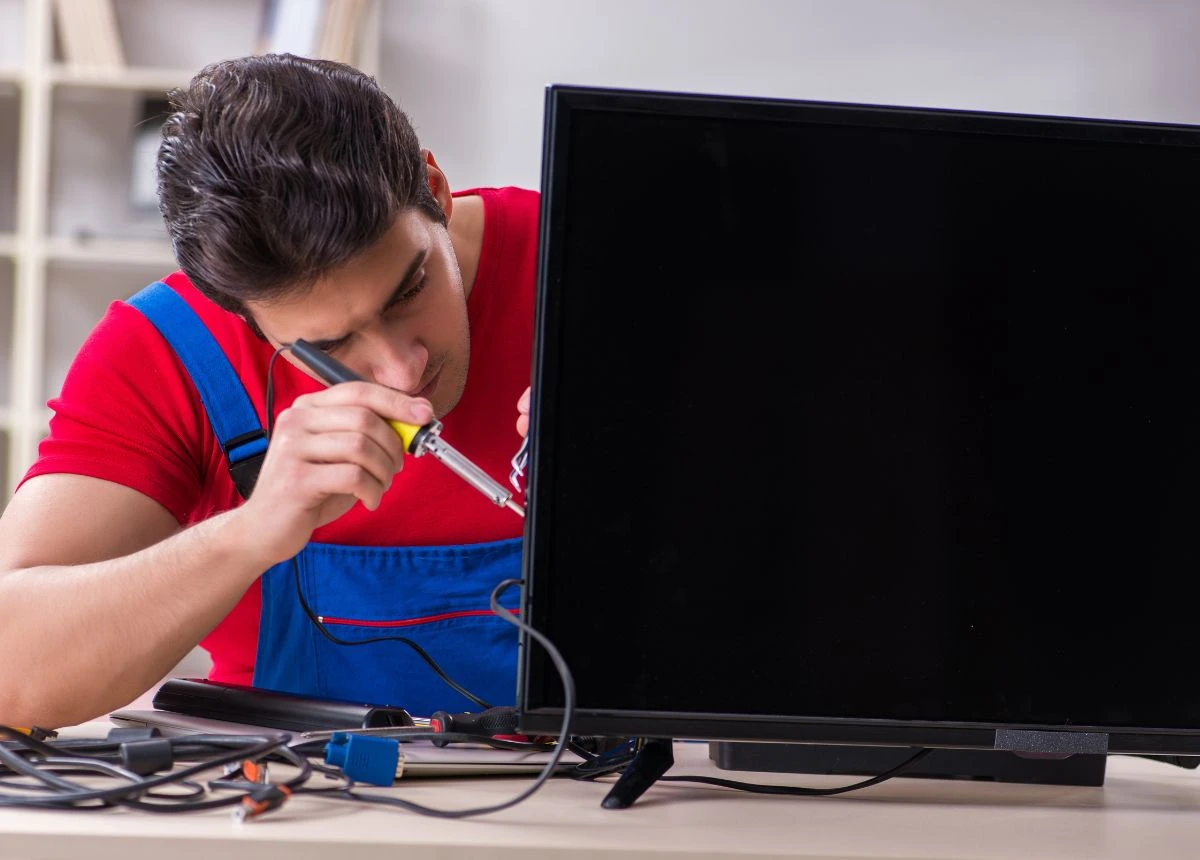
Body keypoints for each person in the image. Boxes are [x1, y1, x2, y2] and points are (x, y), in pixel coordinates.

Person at [0, 53, 538, 728]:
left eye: (408, 291)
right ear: (240, 314)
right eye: (329, 347)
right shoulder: (169, 351)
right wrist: (250, 532)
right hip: (289, 789)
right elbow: (11, 670)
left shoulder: (593, 265)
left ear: (435, 190)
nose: (402, 375)